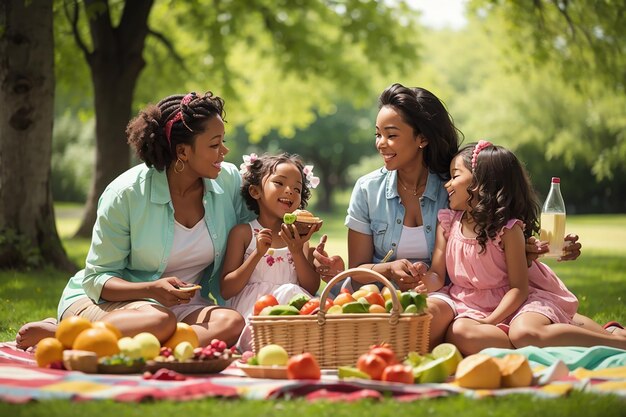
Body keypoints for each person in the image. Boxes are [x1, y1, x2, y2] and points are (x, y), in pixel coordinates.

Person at [312, 83, 583, 349]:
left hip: (448, 295)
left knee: (422, 322)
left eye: (391, 135)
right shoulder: (367, 189)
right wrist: (388, 269)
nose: (381, 144)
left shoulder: (455, 188)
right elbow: (359, 271)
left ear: (422, 138)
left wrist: (540, 246)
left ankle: (540, 333)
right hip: (382, 293)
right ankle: (529, 336)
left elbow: (495, 229)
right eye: (377, 134)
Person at [16, 91, 255, 350]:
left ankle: (154, 350)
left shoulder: (227, 181)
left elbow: (256, 227)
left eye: (223, 141)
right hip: (109, 305)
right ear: (183, 152)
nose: (225, 151)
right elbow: (98, 279)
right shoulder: (126, 193)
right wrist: (151, 289)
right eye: (214, 144)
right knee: (158, 319)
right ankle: (68, 335)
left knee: (231, 321)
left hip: (183, 309)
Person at [416, 141, 626, 354]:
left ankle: (617, 343)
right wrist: (424, 281)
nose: (447, 184)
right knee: (459, 332)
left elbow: (519, 289)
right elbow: (436, 274)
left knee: (524, 333)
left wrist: (490, 321)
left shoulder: (507, 229)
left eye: (455, 175)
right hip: (469, 307)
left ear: (480, 182)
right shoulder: (448, 223)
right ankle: (531, 344)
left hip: (517, 304)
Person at [220, 152, 322, 318]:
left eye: (297, 188)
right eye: (279, 183)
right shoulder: (243, 233)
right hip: (254, 312)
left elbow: (310, 288)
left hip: (291, 313)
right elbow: (226, 290)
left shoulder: (298, 238)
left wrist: (296, 251)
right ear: (255, 191)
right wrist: (258, 254)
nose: (290, 191)